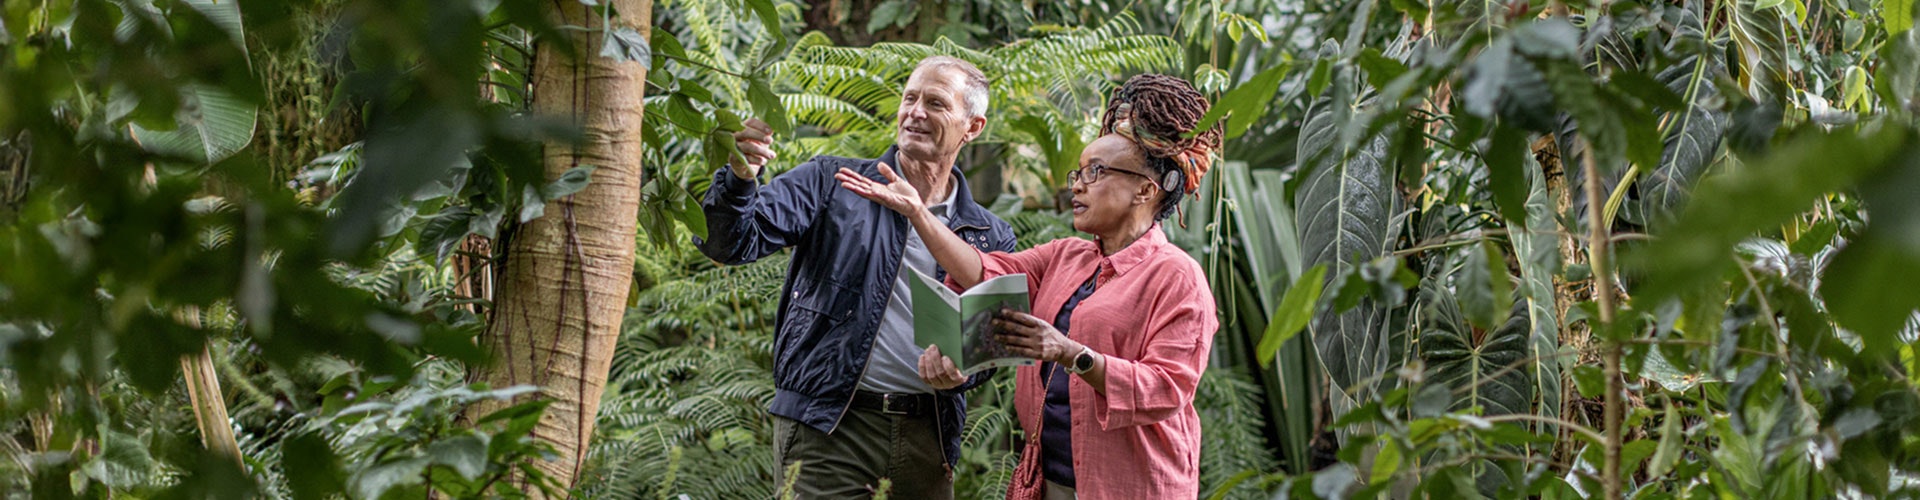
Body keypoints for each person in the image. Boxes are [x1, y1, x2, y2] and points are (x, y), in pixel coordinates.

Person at [838, 73, 1221, 499]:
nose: (1077, 183)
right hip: (1047, 480)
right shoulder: (1065, 255)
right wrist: (919, 214)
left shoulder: (1177, 276)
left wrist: (1070, 353)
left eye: (1096, 171)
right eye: (1079, 171)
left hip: (1130, 485)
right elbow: (983, 270)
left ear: (1145, 190)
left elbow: (1166, 388)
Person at [694, 55, 1016, 499]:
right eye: (910, 98)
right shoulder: (833, 182)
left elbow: (992, 344)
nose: (915, 112)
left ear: (972, 127)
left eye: (936, 103)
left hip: (928, 437)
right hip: (828, 429)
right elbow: (729, 244)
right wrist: (738, 179)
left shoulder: (989, 233)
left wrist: (962, 372)